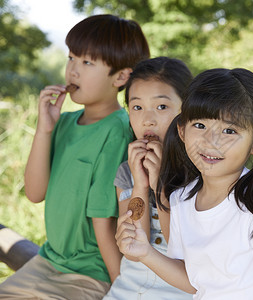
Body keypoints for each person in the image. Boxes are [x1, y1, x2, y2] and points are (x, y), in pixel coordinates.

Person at [0, 14, 150, 299]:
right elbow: (35, 193)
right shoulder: (64, 123)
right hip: (48, 260)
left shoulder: (118, 130)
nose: (73, 70)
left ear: (121, 77)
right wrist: (45, 129)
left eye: (87, 63)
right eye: (71, 58)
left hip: (91, 272)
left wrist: (119, 287)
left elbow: (103, 219)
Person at [116, 68, 253, 299]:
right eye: (200, 125)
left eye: (229, 130)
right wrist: (145, 252)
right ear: (182, 130)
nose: (211, 141)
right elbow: (195, 282)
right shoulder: (182, 198)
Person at [104, 57, 193, 299]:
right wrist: (140, 185)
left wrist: (159, 185)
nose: (147, 119)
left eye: (161, 107)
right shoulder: (127, 171)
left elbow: (179, 249)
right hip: (128, 289)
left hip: (179, 290)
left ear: (187, 111)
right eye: (137, 107)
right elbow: (132, 250)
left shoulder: (199, 170)